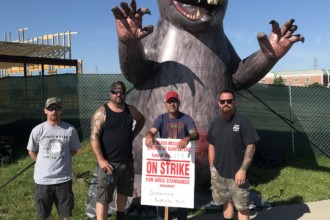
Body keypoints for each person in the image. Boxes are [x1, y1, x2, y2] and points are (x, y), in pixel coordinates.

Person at [90, 81, 145, 220]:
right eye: (115, 92)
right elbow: (94, 138)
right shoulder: (101, 112)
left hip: (126, 161)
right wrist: (101, 160)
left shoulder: (130, 110)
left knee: (123, 192)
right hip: (109, 163)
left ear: (125, 94)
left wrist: (132, 135)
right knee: (104, 196)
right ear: (110, 93)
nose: (118, 94)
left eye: (121, 92)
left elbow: (141, 120)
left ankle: (120, 216)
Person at [145, 90, 199, 220]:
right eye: (169, 101)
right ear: (165, 104)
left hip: (180, 166)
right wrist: (148, 136)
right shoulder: (161, 118)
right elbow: (151, 131)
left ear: (179, 102)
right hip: (164, 164)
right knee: (161, 196)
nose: (172, 103)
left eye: (174, 101)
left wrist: (187, 138)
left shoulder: (186, 119)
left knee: (181, 196)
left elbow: (195, 134)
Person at [207, 89, 260, 220]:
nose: (226, 103)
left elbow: (251, 146)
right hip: (219, 173)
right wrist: (212, 167)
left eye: (229, 101)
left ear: (234, 103)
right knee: (226, 202)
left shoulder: (243, 121)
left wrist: (242, 170)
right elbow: (211, 144)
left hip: (237, 175)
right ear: (219, 104)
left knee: (242, 207)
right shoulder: (215, 122)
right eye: (223, 101)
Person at [27, 97, 80, 220]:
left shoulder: (70, 130)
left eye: (57, 108)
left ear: (61, 111)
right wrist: (42, 163)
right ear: (45, 110)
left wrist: (60, 160)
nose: (54, 111)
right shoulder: (38, 130)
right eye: (50, 108)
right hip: (43, 181)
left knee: (64, 215)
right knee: (44, 215)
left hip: (63, 179)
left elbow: (74, 150)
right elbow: (31, 151)